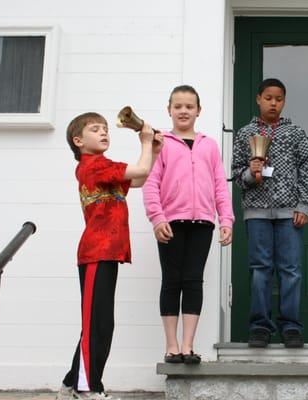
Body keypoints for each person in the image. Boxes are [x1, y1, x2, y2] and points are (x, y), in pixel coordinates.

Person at [56, 112, 162, 400]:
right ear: (78, 141)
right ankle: (87, 387)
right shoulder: (93, 166)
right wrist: (146, 140)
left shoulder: (105, 169)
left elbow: (139, 179)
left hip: (108, 253)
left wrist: (151, 150)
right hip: (96, 253)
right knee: (97, 324)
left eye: (106, 129)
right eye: (95, 129)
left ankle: (70, 384)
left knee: (99, 322)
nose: (104, 132)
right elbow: (139, 171)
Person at [142, 85, 234, 365]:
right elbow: (150, 183)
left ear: (198, 110)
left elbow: (220, 185)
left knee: (194, 281)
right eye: (178, 106)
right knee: (172, 281)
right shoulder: (162, 143)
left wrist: (225, 219)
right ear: (169, 109)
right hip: (171, 223)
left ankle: (187, 345)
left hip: (203, 224)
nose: (183, 111)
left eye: (189, 106)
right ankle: (171, 346)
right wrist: (157, 218)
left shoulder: (209, 145)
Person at [231, 78, 308, 348]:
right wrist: (251, 173)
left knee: (291, 270)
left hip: (290, 213)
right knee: (260, 269)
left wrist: (303, 206)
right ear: (258, 99)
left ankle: (291, 326)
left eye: (278, 99)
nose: (273, 103)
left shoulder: (295, 133)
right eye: (268, 98)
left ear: (284, 101)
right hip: (256, 213)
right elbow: (235, 174)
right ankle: (260, 326)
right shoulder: (245, 134)